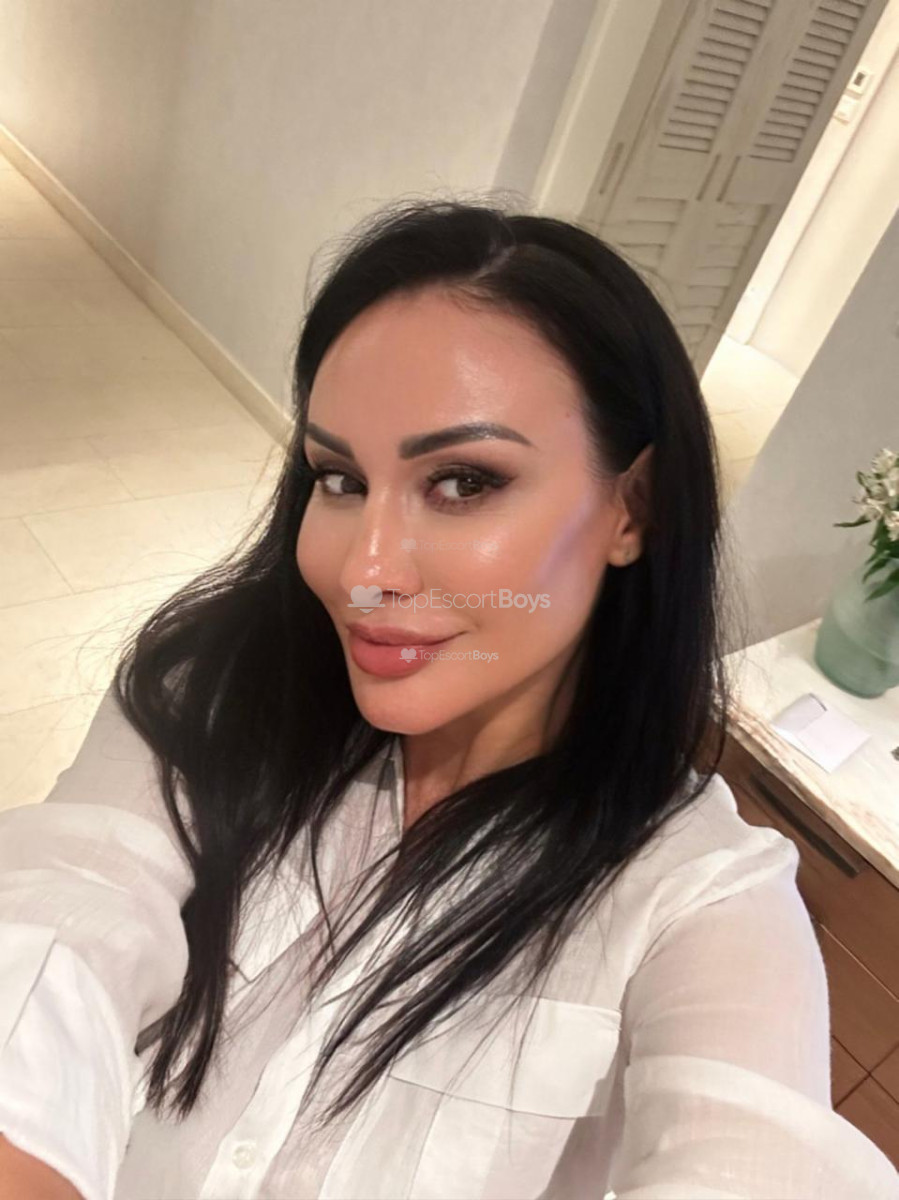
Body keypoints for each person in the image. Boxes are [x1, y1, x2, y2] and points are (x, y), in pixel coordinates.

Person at [0, 197, 896, 1200]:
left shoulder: (697, 901)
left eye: (463, 483)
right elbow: (56, 925)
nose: (363, 570)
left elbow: (755, 1147)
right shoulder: (209, 692)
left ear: (631, 509)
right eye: (339, 479)